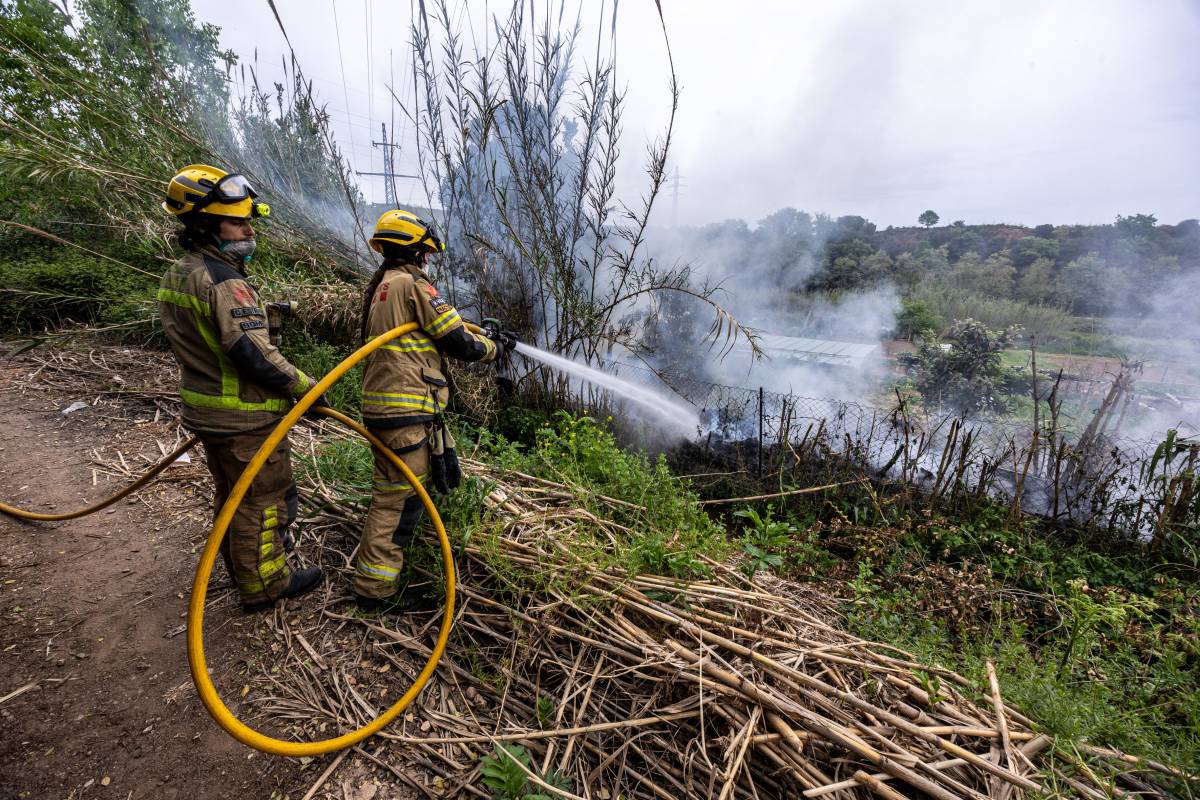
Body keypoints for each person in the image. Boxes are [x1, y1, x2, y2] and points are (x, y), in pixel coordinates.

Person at [159, 164, 324, 612]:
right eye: (237, 221)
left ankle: (240, 571)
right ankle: (266, 586)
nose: (249, 229)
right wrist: (309, 388)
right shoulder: (224, 281)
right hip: (244, 416)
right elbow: (252, 353)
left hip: (210, 411)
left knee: (234, 496)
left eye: (249, 219)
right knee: (263, 500)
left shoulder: (183, 271)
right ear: (204, 225)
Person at [355, 209, 515, 612]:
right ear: (416, 252)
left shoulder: (386, 285)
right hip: (405, 409)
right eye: (426, 252)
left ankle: (377, 579)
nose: (428, 260)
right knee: (398, 500)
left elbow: (444, 326)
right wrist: (495, 347)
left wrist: (478, 329)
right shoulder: (414, 285)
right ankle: (376, 591)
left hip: (387, 407)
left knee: (394, 494)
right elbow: (459, 343)